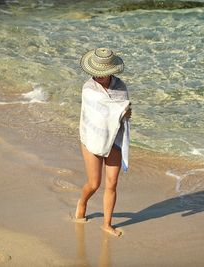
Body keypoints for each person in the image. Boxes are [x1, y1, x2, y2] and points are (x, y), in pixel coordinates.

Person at [75, 48, 131, 237]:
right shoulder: (89, 89)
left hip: (114, 139)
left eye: (101, 73)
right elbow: (99, 113)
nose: (97, 76)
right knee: (94, 184)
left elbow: (121, 111)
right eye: (95, 73)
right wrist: (119, 111)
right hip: (92, 137)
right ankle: (82, 202)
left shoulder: (120, 87)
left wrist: (127, 113)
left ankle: (107, 224)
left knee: (112, 183)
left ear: (110, 71)